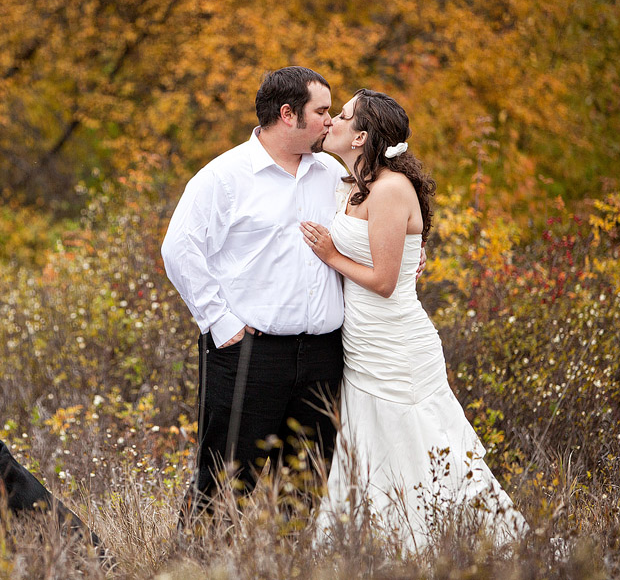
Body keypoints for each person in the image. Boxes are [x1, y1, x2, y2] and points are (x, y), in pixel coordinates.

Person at [302, 89, 526, 551]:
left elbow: (383, 281)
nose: (332, 123)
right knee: (376, 448)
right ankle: (382, 544)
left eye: (341, 116)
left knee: (421, 443)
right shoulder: (352, 183)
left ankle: (455, 543)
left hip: (397, 344)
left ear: (361, 137)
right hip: (363, 344)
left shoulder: (390, 189)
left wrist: (331, 254)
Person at [161, 66, 348, 528]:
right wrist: (220, 323)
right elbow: (179, 249)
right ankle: (196, 566)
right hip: (247, 350)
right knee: (225, 479)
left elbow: (362, 231)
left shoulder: (332, 172)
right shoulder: (223, 176)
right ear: (288, 114)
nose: (330, 120)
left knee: (306, 479)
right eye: (321, 111)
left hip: (324, 354)